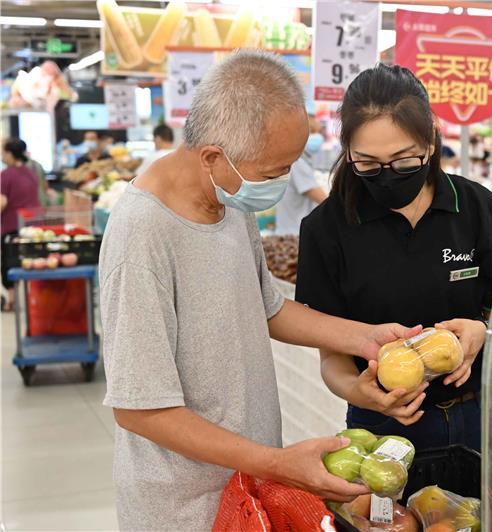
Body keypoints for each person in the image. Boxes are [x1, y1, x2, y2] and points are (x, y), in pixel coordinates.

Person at [99, 51, 419, 531]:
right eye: (273, 173)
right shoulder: (141, 237)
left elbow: (266, 307)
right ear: (213, 157)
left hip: (250, 489)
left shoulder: (228, 199)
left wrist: (364, 337)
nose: (282, 183)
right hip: (186, 508)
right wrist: (277, 462)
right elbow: (139, 409)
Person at [295, 64, 492, 453]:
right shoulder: (326, 229)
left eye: (404, 161)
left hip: (479, 414)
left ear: (430, 140)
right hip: (383, 423)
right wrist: (358, 392)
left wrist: (486, 331)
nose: (388, 176)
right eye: (367, 163)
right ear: (347, 152)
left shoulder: (476, 207)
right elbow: (332, 357)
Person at [1, 138, 41, 310]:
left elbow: (2, 202)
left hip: (11, 226)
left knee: (9, 263)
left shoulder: (6, 175)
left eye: (3, 152)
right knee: (30, 263)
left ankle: (11, 300)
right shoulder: (30, 172)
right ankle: (34, 298)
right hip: (33, 226)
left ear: (10, 154)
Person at [275, 111, 328, 234]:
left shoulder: (298, 160)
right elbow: (322, 199)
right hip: (294, 232)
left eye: (318, 132)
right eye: (312, 132)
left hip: (291, 229)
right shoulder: (297, 163)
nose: (317, 137)